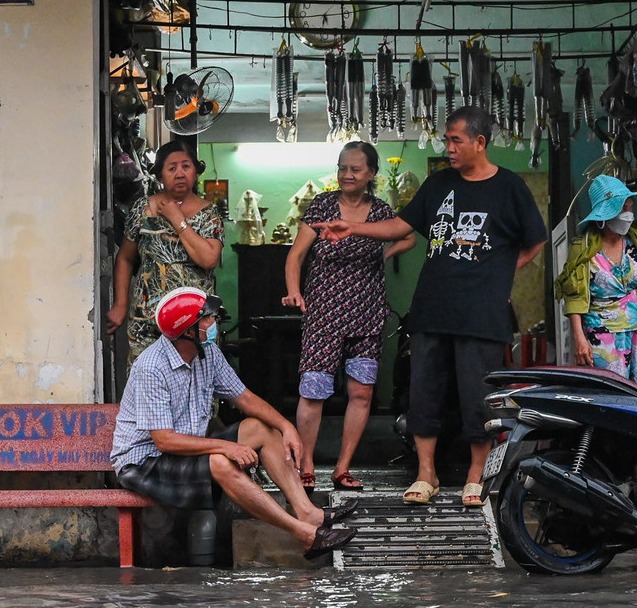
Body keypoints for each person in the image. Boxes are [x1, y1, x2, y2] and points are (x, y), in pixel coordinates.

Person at [316, 106, 546, 507]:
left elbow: (535, 241)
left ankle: (476, 475)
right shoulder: (439, 183)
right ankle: (427, 474)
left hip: (481, 315)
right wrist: (353, 227)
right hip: (432, 309)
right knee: (424, 394)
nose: (449, 147)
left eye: (456, 140)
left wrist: (501, 279)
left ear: (479, 142)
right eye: (446, 140)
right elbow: (400, 226)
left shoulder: (509, 187)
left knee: (479, 396)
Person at [111, 287, 357, 561]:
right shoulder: (152, 368)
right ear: (187, 330)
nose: (213, 324)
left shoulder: (208, 353)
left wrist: (286, 427)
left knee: (261, 427)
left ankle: (307, 512)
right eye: (205, 320)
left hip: (183, 453)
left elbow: (245, 398)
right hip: (145, 463)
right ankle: (304, 535)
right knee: (220, 461)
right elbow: (164, 441)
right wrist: (226, 448)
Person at [281, 141, 415, 491]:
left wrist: (385, 256)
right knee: (313, 390)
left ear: (371, 174)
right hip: (323, 310)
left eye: (355, 169)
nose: (347, 174)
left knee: (362, 393)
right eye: (342, 167)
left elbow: (409, 236)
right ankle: (307, 462)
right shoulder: (323, 205)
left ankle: (343, 468)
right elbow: (296, 255)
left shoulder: (382, 211)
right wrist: (294, 289)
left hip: (367, 312)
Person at [107, 141, 225, 364]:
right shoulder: (142, 210)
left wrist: (176, 218)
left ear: (195, 172)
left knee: (195, 388)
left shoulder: (209, 214)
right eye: (172, 168)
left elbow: (209, 259)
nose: (180, 173)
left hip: (195, 323)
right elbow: (125, 258)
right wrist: (120, 305)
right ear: (159, 175)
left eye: (186, 166)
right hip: (148, 322)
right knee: (148, 388)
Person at [555, 174, 637, 387]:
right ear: (604, 215)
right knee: (610, 397)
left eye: (630, 208)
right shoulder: (584, 250)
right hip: (603, 336)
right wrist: (580, 338)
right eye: (622, 208)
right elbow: (575, 296)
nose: (628, 214)